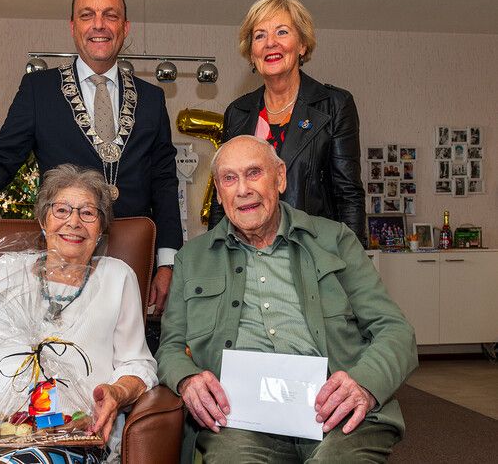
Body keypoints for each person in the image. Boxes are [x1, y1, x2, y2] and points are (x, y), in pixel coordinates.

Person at [156, 136, 417, 463]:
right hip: (242, 421)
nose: (243, 190)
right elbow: (169, 346)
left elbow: (396, 330)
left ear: (280, 177)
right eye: (229, 178)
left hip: (337, 414)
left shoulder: (334, 240)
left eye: (254, 173)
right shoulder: (191, 258)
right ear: (219, 193)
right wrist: (187, 379)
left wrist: (363, 383)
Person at [0, 0, 181, 314]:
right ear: (73, 27)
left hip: (134, 250)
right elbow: (2, 156)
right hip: (64, 251)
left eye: (110, 15)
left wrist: (167, 261)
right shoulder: (39, 90)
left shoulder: (152, 98)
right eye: (87, 15)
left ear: (125, 26)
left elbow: (164, 180)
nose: (99, 25)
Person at [0, 165, 158, 463]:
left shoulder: (117, 277)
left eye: (88, 213)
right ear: (42, 220)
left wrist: (116, 393)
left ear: (101, 227)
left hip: (64, 431)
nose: (74, 222)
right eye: (61, 210)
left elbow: (137, 363)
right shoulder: (6, 266)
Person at [207, 0, 366, 247]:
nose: (270, 43)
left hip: (313, 252)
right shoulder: (237, 113)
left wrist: (354, 262)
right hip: (246, 253)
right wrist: (213, 253)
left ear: (302, 45)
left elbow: (348, 194)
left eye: (281, 32)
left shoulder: (334, 105)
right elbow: (223, 192)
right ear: (251, 53)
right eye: (259, 35)